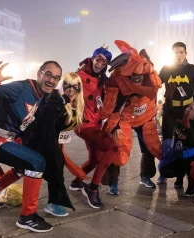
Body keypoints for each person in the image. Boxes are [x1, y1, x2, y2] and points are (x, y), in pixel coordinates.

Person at [0, 61, 62, 232]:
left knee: (24, 166)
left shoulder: (41, 97)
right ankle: (27, 216)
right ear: (39, 73)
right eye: (48, 74)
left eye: (56, 78)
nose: (52, 80)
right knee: (37, 162)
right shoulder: (21, 88)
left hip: (7, 140)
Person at [22, 72, 87, 217]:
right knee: (53, 172)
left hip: (53, 141)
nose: (71, 90)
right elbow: (47, 117)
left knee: (25, 170)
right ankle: (51, 205)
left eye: (75, 86)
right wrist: (60, 103)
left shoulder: (75, 104)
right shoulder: (55, 99)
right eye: (67, 85)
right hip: (41, 140)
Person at [100, 41, 162, 191]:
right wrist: (114, 127)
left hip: (145, 117)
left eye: (140, 75)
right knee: (118, 145)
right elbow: (112, 109)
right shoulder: (119, 83)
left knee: (151, 145)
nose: (137, 78)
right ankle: (113, 180)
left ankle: (145, 176)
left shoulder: (151, 81)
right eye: (133, 75)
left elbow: (154, 95)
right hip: (125, 117)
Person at [69, 46, 117, 209]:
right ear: (93, 58)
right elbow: (68, 86)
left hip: (96, 124)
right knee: (111, 149)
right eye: (98, 59)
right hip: (84, 124)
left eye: (104, 61)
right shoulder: (81, 75)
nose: (100, 63)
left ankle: (77, 182)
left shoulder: (103, 80)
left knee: (94, 160)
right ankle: (93, 188)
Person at [159, 42, 194, 184]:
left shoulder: (193, 70)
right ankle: (164, 170)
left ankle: (186, 173)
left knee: (188, 141)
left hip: (188, 111)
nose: (178, 55)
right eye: (175, 52)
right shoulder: (166, 69)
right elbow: (155, 83)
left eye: (181, 52)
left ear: (186, 53)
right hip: (170, 111)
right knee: (167, 142)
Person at [158, 100, 194, 195]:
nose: (187, 109)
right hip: (179, 154)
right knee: (164, 170)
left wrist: (188, 128)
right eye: (188, 106)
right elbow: (169, 113)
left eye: (191, 109)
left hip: (191, 157)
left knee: (188, 157)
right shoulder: (179, 120)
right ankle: (180, 177)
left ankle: (191, 185)